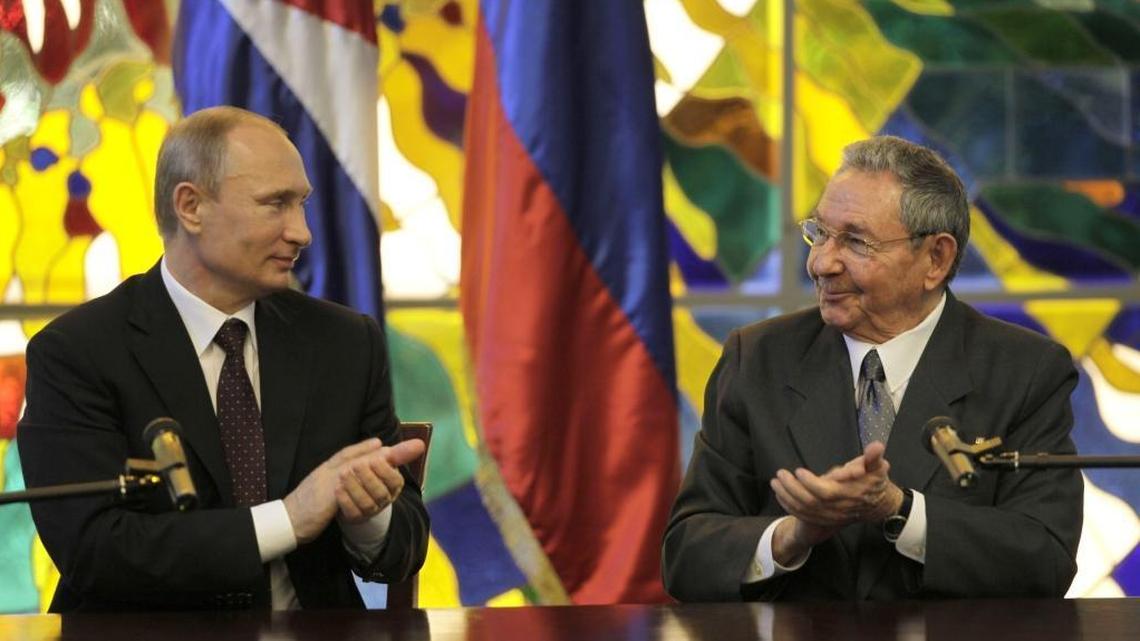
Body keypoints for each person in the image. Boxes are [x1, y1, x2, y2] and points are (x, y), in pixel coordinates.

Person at [17, 106, 429, 611]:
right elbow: (95, 549)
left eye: (301, 204)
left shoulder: (343, 342)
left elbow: (405, 544)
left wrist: (366, 512)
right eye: (275, 204)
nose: (302, 232)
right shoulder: (78, 352)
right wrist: (290, 518)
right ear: (191, 206)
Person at [662, 136, 1083, 601]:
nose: (821, 262)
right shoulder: (757, 358)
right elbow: (686, 555)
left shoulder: (1024, 371)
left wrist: (897, 510)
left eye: (856, 242)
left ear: (935, 259)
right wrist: (791, 536)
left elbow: (1044, 559)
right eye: (819, 233)